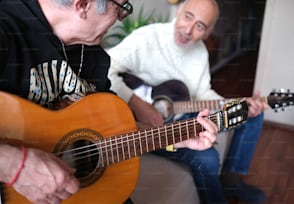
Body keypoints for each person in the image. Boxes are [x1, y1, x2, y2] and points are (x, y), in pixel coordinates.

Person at [0, 0, 219, 203]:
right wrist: (16, 166)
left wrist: (174, 137)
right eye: (121, 7)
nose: (121, 17)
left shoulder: (95, 55)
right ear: (83, 5)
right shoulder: (6, 28)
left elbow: (111, 131)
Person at [107, 0, 269, 203]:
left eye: (200, 26)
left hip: (184, 112)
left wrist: (234, 103)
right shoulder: (147, 38)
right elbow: (104, 68)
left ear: (208, 32)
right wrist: (138, 105)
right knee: (207, 157)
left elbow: (203, 93)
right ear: (179, 12)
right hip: (149, 126)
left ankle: (231, 180)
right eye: (188, 17)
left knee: (251, 114)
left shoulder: (200, 52)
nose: (188, 30)